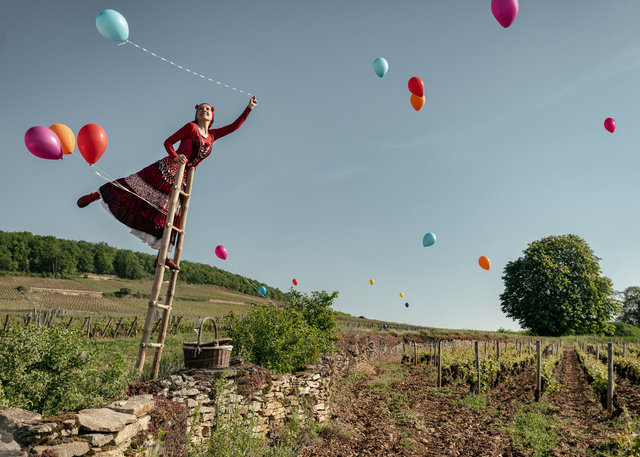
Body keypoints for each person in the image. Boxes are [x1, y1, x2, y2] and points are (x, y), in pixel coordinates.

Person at [77, 96, 258, 270]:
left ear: (212, 116)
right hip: (167, 168)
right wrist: (176, 157)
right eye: (201, 109)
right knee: (132, 185)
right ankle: (97, 194)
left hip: (184, 178)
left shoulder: (212, 135)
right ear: (196, 114)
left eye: (208, 109)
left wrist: (248, 108)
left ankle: (162, 257)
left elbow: (234, 127)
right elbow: (168, 142)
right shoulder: (191, 127)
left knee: (172, 218)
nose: (204, 111)